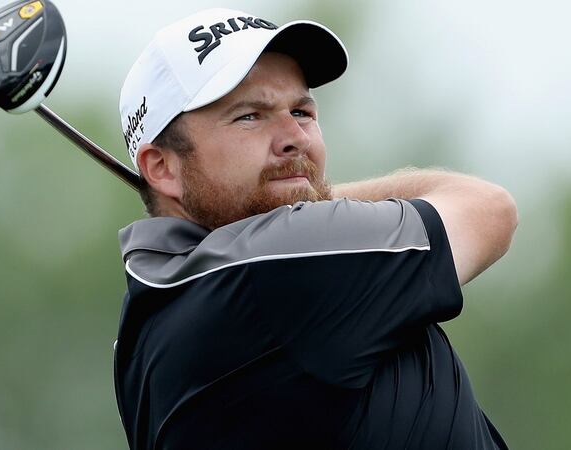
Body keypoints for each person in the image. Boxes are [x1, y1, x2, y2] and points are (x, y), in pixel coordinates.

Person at [113, 8, 517, 450]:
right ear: (162, 167)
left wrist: (297, 197)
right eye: (249, 116)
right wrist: (308, 203)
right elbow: (487, 209)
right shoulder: (278, 263)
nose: (295, 137)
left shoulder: (139, 338)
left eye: (302, 111)